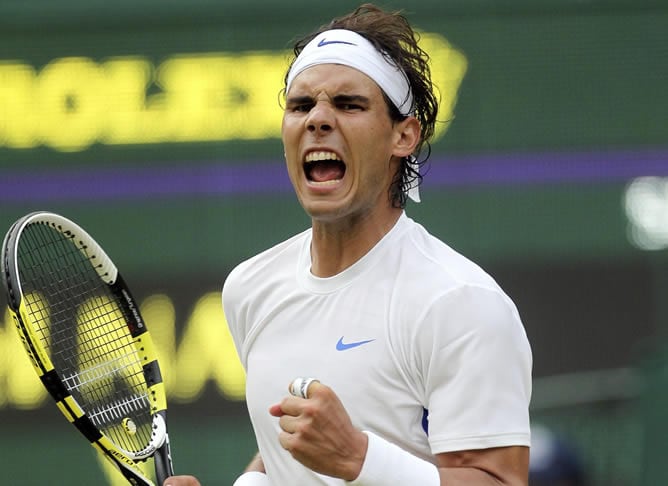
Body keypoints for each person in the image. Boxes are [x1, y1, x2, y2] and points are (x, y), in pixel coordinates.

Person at [165, 3, 532, 485]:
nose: (318, 119)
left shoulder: (461, 303)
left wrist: (360, 460)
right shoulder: (249, 289)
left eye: (348, 104)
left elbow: (499, 480)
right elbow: (288, 456)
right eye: (301, 106)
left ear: (404, 134)